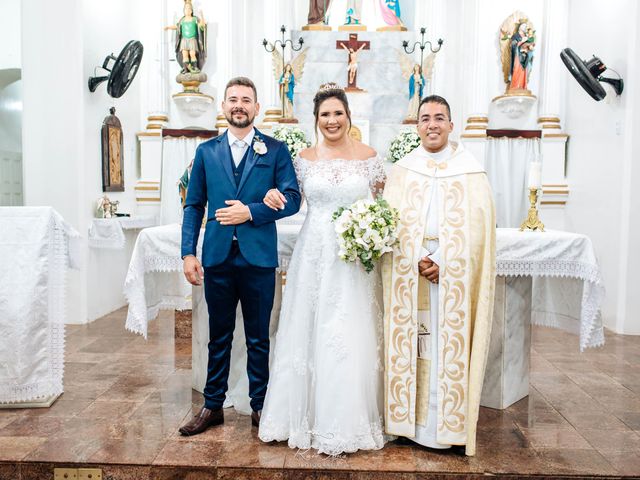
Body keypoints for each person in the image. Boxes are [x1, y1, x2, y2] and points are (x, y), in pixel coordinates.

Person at [257, 83, 388, 455]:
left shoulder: (369, 156)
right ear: (316, 121)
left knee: (347, 332)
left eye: (338, 113)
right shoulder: (301, 158)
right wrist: (269, 196)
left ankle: (346, 421)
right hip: (313, 254)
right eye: (324, 115)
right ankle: (296, 418)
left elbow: (382, 204)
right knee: (306, 329)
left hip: (352, 258)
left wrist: (372, 230)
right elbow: (287, 198)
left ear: (349, 116)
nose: (332, 120)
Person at [179, 77, 301, 436]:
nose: (239, 105)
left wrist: (251, 212)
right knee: (219, 335)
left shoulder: (275, 150)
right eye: (233, 99)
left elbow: (293, 198)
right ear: (223, 107)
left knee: (258, 337)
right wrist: (188, 253)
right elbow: (193, 205)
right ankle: (212, 405)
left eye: (246, 100)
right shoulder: (206, 152)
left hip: (258, 258)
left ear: (256, 108)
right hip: (217, 256)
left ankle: (260, 406)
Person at [381, 95, 496, 456]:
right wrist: (416, 255)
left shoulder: (471, 171)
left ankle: (445, 428)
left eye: (439, 118)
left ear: (451, 124)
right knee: (414, 344)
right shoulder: (403, 170)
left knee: (446, 346)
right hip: (411, 271)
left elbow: (479, 228)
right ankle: (408, 426)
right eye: (425, 118)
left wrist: (444, 258)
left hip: (451, 276)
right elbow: (390, 221)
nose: (432, 124)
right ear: (417, 126)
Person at [165, 1, 207, 74]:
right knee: (185, 54)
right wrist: (168, 27)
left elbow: (202, 26)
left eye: (189, 9)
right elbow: (177, 27)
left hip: (192, 39)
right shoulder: (182, 20)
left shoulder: (194, 19)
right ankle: (185, 68)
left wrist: (202, 15)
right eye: (185, 9)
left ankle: (194, 67)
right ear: (183, 11)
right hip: (184, 40)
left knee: (192, 54)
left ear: (191, 11)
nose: (187, 10)